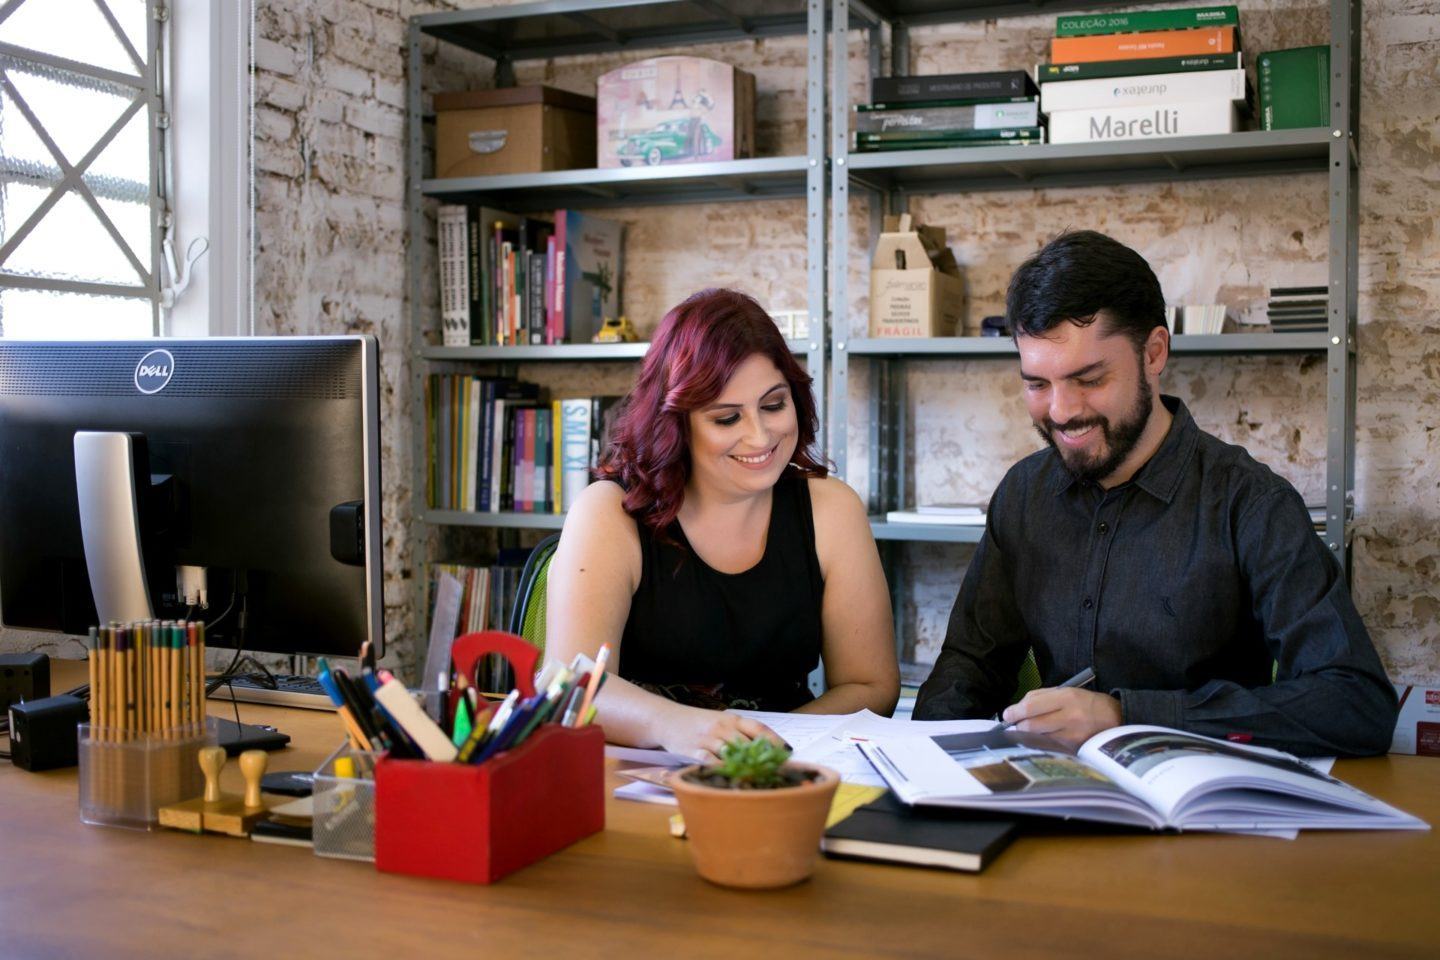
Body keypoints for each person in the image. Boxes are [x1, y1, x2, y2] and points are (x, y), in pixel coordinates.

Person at [915, 231, 1397, 757]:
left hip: (1202, 808)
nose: (1061, 410)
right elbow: (968, 667)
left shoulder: (1251, 504)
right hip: (1054, 804)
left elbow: (1357, 703)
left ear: (1154, 352)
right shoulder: (1024, 494)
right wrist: (920, 763)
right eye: (1037, 384)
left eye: (1090, 379)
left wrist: (1126, 717)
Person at [546, 288, 899, 761]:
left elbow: (871, 685)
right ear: (675, 424)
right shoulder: (610, 513)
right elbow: (567, 679)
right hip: (641, 765)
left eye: (774, 405)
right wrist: (680, 728)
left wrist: (760, 749)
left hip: (777, 767)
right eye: (727, 417)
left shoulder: (831, 509)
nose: (759, 435)